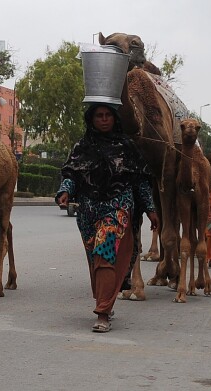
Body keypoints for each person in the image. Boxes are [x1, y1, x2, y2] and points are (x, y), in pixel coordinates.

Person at [55, 104, 159, 333]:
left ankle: (102, 313)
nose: (103, 120)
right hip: (88, 210)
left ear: (115, 118)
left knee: (104, 253)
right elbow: (71, 174)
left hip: (118, 206)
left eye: (107, 115)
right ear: (91, 120)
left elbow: (140, 181)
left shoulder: (127, 147)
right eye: (99, 116)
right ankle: (106, 299)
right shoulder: (82, 147)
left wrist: (150, 208)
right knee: (96, 258)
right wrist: (65, 191)